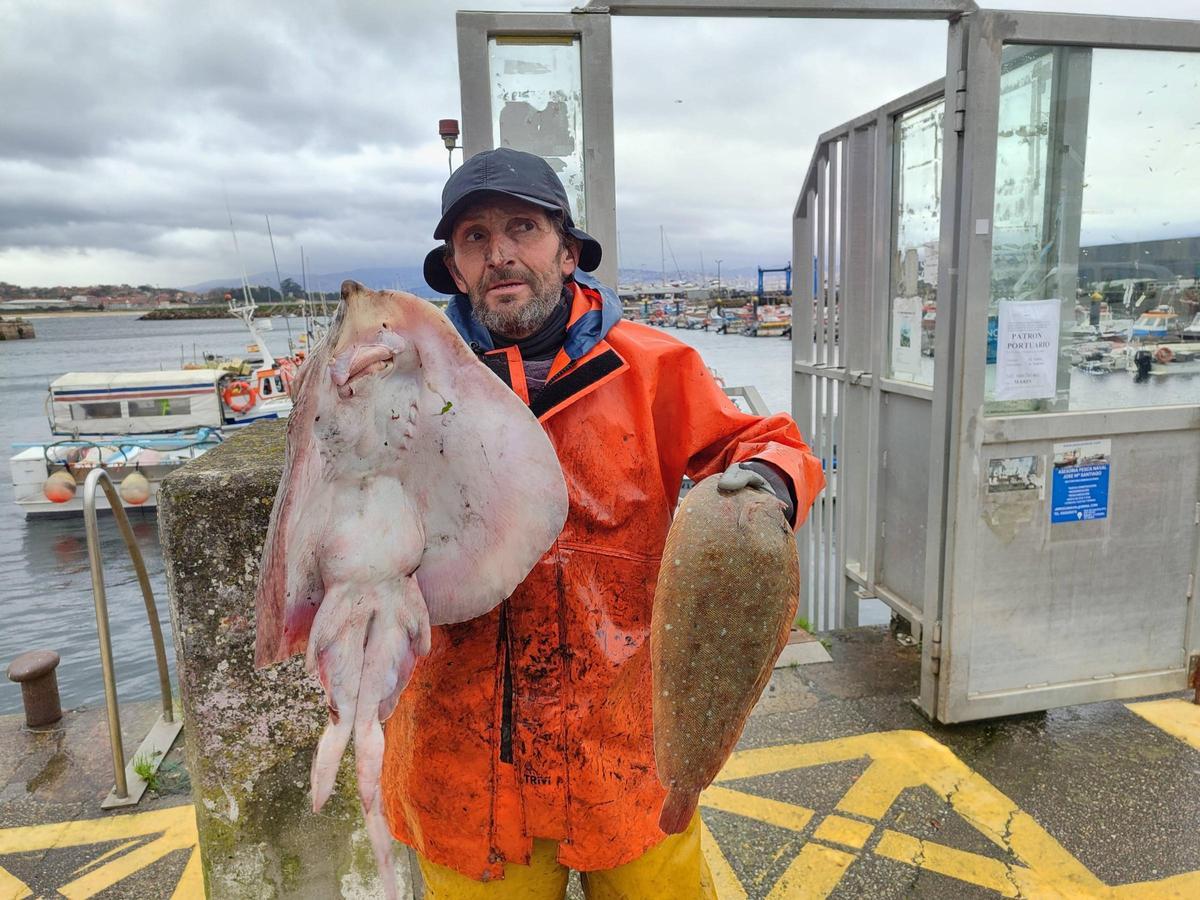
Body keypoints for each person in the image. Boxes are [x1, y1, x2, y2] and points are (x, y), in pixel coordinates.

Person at [380, 147, 824, 898]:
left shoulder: (653, 367)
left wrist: (767, 486)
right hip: (464, 756)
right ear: (454, 268)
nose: (500, 254)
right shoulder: (403, 384)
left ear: (566, 246)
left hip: (629, 741)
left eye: (522, 227)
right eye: (475, 239)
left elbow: (765, 444)